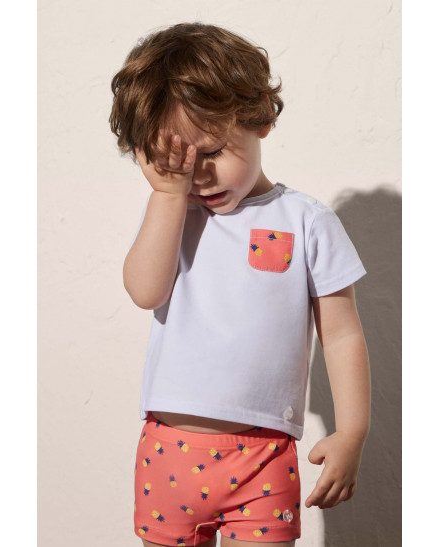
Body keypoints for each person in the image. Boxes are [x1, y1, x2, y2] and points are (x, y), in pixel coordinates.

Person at [109, 22, 371, 547]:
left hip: (263, 459)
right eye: (176, 163)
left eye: (210, 152)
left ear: (261, 118)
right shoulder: (172, 212)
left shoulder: (306, 221)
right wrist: (166, 196)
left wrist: (353, 431)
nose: (197, 175)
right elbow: (144, 292)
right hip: (169, 453)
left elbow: (342, 335)